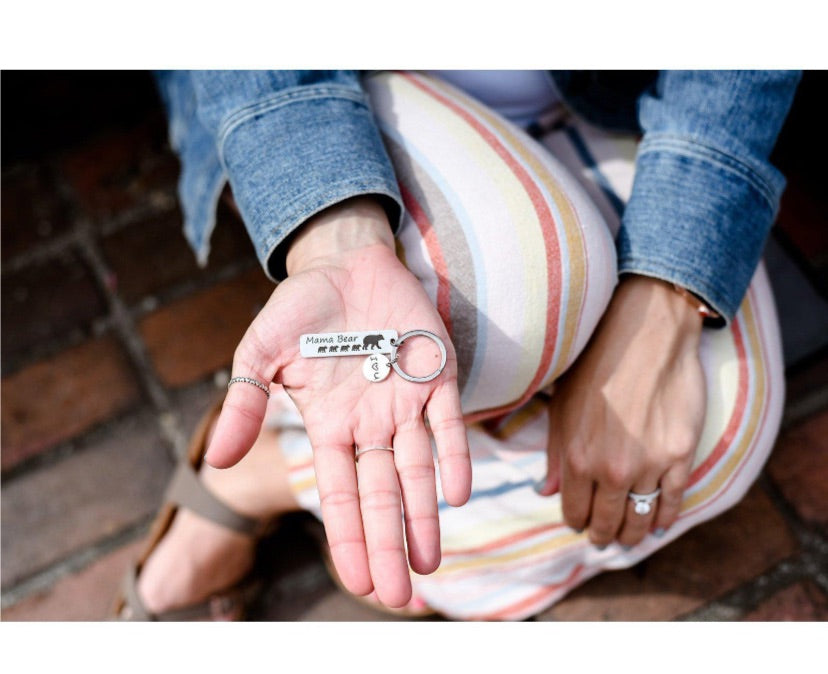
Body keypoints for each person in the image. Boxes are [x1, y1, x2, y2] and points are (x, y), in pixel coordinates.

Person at [114, 69, 800, 620]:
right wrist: (336, 239)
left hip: (617, 98)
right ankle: (351, 481)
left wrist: (664, 294)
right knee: (515, 296)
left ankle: (276, 472)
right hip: (345, 102)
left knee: (714, 444)